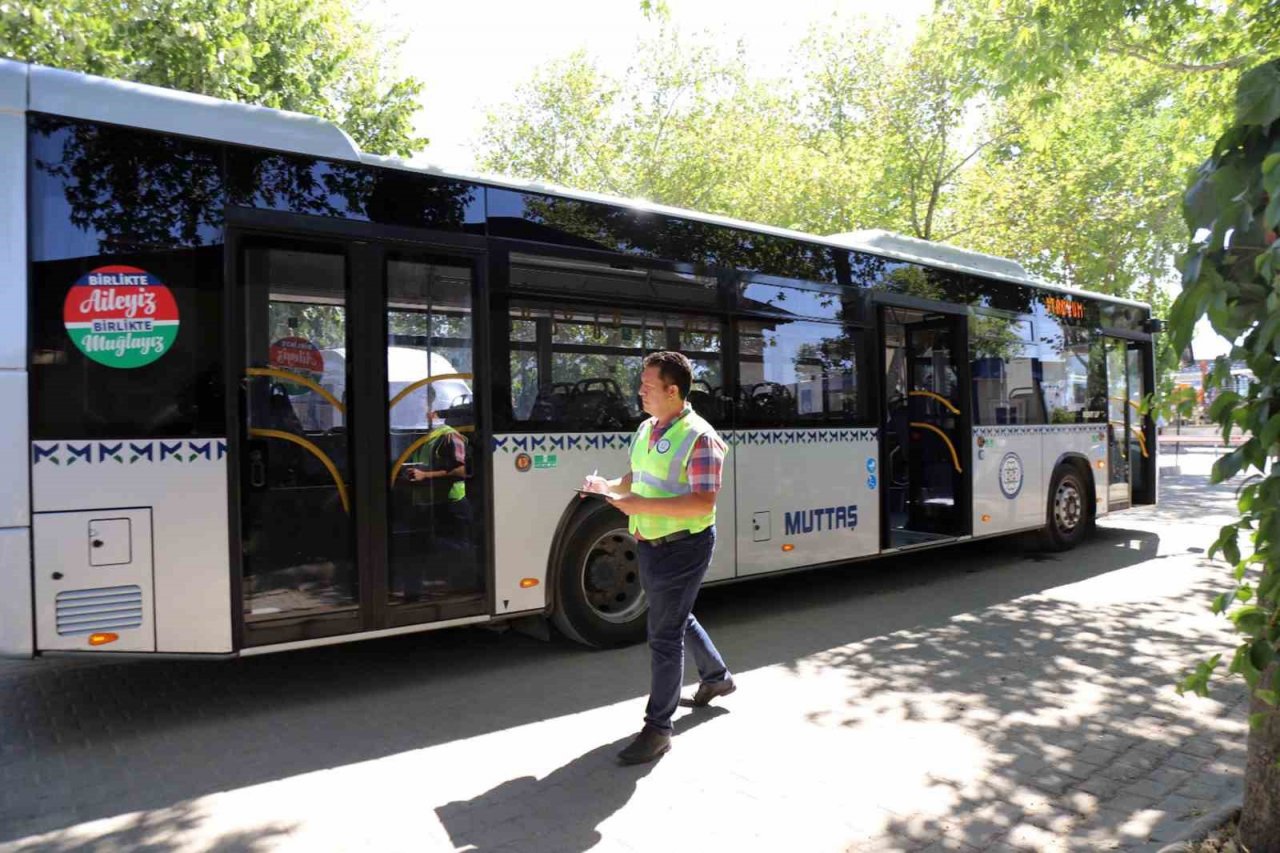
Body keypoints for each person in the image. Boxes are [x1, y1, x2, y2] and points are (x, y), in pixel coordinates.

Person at [582, 351, 735, 765]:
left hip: (685, 546)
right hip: (649, 542)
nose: (640, 392)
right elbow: (635, 479)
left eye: (647, 386)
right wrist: (607, 487)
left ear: (673, 390)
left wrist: (637, 506)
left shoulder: (701, 438)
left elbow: (703, 500)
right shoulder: (646, 428)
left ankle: (658, 729)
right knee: (676, 616)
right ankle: (717, 678)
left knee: (664, 635)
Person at [401, 385, 472, 599]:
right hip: (426, 502)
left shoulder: (449, 436)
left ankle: (462, 594)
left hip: (450, 505)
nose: (416, 410)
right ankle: (413, 593)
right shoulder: (424, 435)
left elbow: (463, 470)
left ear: (432, 409)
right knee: (417, 550)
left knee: (457, 550)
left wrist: (425, 476)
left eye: (420, 404)